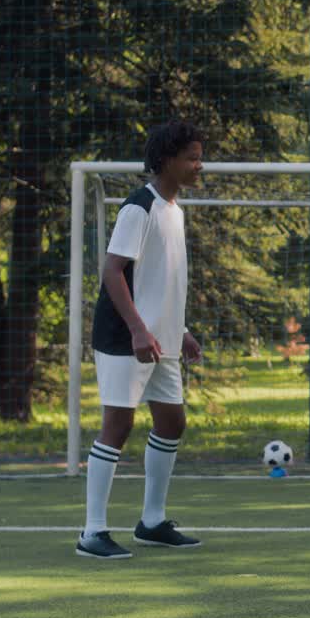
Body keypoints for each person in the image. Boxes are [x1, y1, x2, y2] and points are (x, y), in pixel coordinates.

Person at [76, 120, 205, 559]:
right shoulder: (139, 208)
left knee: (172, 422)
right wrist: (136, 328)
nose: (198, 166)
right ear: (166, 160)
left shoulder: (175, 210)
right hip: (124, 336)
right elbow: (112, 271)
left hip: (161, 340)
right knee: (119, 425)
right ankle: (92, 532)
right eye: (191, 157)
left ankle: (151, 522)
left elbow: (161, 281)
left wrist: (181, 330)